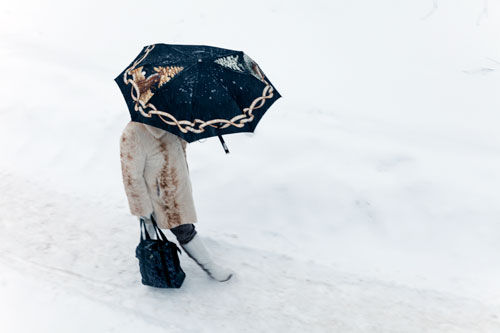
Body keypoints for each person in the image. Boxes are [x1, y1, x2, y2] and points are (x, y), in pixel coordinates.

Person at [119, 121, 232, 282]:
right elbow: (131, 177)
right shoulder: (133, 133)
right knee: (182, 230)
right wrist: (143, 209)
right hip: (161, 197)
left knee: (158, 232)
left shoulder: (170, 121)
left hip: (177, 190)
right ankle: (211, 268)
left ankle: (152, 258)